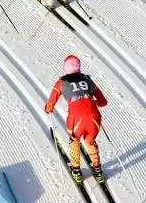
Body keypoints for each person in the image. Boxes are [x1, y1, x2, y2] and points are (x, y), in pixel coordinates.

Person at [45, 55, 107, 183]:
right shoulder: (88, 80)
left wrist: (48, 108)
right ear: (79, 67)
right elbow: (103, 102)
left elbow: (51, 101)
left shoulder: (61, 83)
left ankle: (76, 171)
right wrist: (93, 102)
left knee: (74, 140)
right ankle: (98, 170)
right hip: (94, 117)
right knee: (90, 140)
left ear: (66, 69)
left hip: (76, 118)